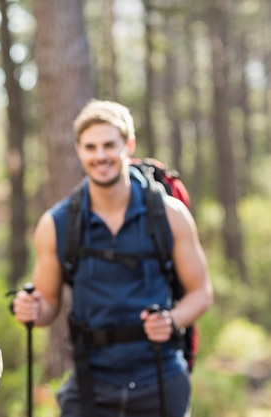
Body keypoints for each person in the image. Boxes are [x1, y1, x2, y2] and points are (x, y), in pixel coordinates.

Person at [12, 99, 212, 417]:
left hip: (161, 378)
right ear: (79, 150)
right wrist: (32, 309)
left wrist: (172, 320)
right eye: (90, 147)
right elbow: (47, 308)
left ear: (128, 145)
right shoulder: (57, 223)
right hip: (90, 384)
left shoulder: (169, 214)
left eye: (109, 145)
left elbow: (201, 293)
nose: (100, 155)